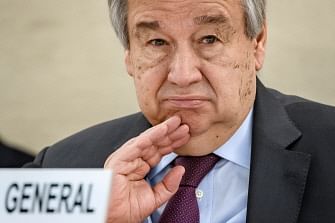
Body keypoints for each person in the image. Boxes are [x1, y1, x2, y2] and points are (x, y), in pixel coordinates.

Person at [25, 0, 335, 222]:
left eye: (209, 39)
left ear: (257, 43)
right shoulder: (61, 168)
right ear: (130, 56)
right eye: (157, 41)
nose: (183, 74)